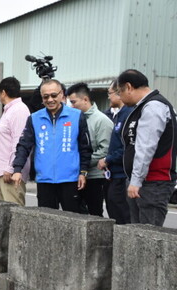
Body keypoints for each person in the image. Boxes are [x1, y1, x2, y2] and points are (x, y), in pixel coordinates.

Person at [12, 79, 92, 213]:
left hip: (70, 179)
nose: (50, 100)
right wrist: (17, 169)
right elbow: (24, 145)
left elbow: (85, 147)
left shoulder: (77, 116)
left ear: (62, 95)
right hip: (45, 180)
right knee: (46, 221)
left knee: (75, 219)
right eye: (45, 97)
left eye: (54, 95)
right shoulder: (34, 118)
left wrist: (83, 172)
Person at [119, 69, 177, 226]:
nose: (120, 98)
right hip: (143, 182)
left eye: (120, 92)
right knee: (137, 233)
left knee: (149, 236)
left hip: (153, 182)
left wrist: (136, 181)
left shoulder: (153, 107)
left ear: (128, 87)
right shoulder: (143, 106)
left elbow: (145, 148)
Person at [67, 82, 113, 216]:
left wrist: (82, 164)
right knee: (74, 212)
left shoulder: (102, 121)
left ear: (85, 99)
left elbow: (104, 151)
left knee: (94, 212)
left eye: (74, 102)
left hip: (94, 176)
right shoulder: (73, 118)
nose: (72, 106)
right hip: (75, 175)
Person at [0, 77, 31, 205]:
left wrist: (12, 167)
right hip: (1, 171)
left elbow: (19, 142)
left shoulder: (19, 110)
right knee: (0, 212)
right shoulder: (9, 110)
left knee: (13, 210)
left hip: (8, 172)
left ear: (3, 92)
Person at [97, 80, 133, 224]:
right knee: (114, 213)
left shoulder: (128, 114)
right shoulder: (118, 114)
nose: (108, 97)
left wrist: (108, 159)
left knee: (122, 216)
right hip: (114, 173)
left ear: (120, 93)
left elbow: (128, 147)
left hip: (122, 174)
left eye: (110, 93)